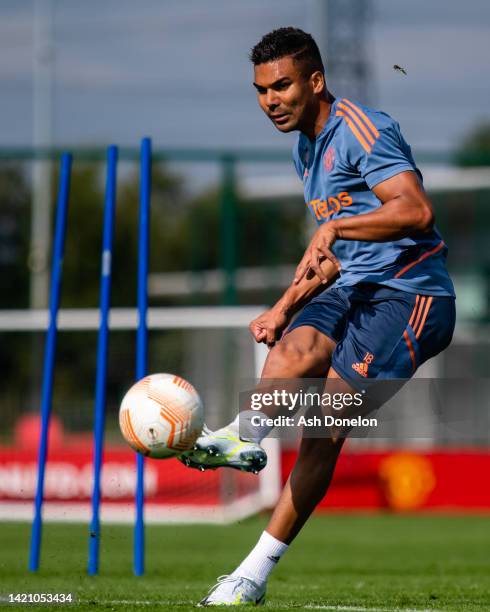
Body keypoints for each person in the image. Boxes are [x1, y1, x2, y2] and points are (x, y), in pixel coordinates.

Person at [180, 27, 456, 606]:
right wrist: (282, 307)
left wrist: (335, 225)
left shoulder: (362, 129)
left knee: (322, 427)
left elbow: (415, 209)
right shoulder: (304, 146)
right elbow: (332, 259)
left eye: (281, 85)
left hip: (410, 296)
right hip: (353, 284)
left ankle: (250, 576)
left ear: (316, 80)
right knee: (289, 351)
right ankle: (244, 437)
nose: (270, 100)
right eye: (260, 90)